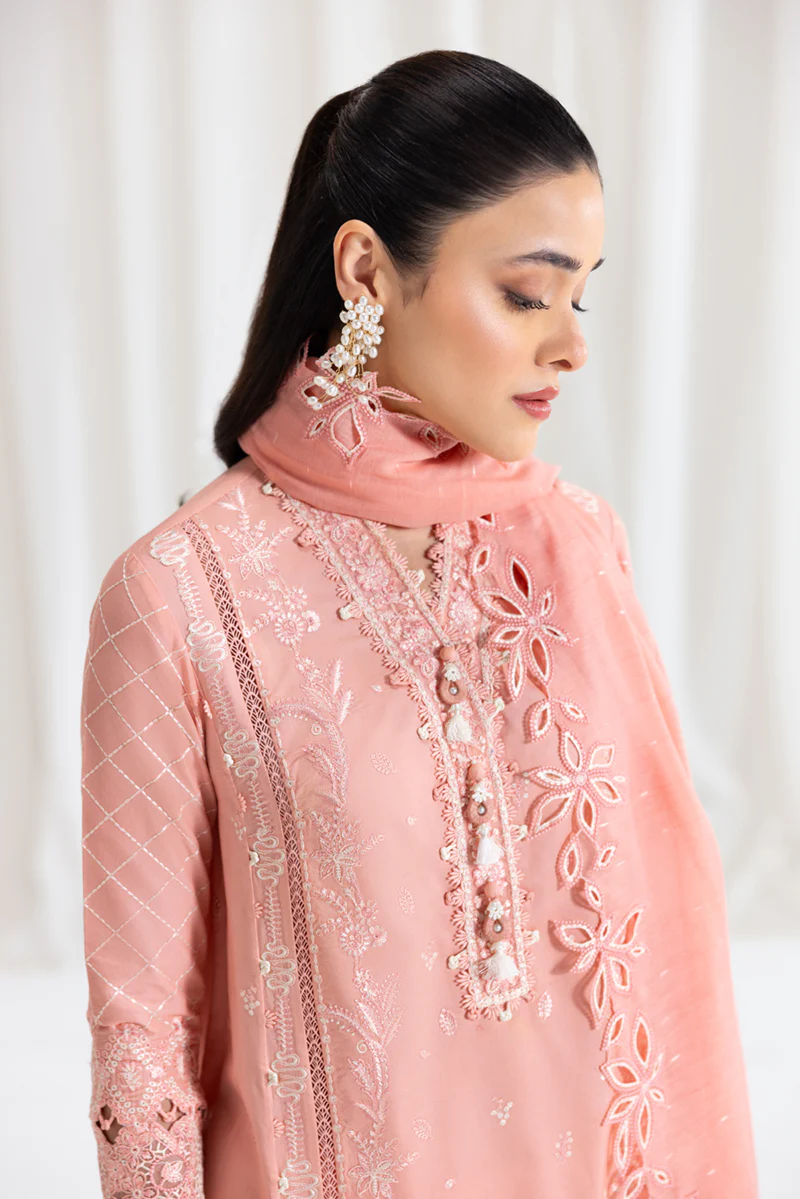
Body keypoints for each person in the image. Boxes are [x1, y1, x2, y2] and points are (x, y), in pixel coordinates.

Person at [80, 48, 759, 1199]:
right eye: (526, 293)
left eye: (580, 295)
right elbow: (142, 1035)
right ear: (365, 270)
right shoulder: (181, 591)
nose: (571, 344)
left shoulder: (578, 545)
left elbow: (656, 966)